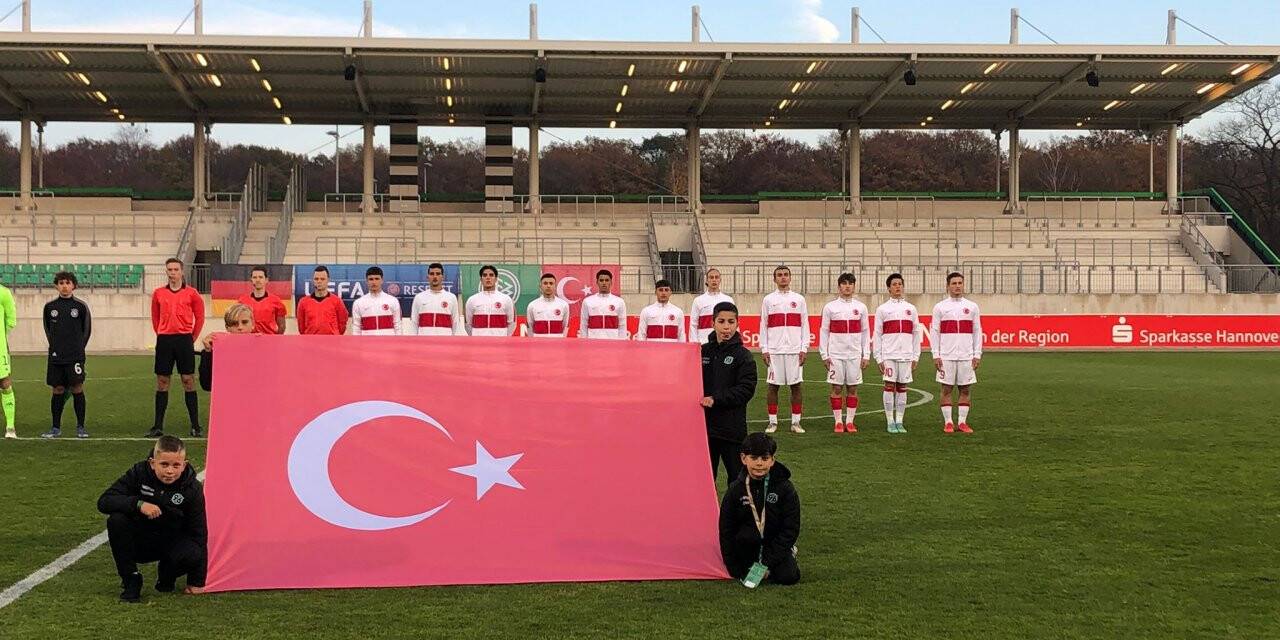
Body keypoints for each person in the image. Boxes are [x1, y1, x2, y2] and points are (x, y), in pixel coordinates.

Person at [97, 435, 206, 603]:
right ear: (152, 463)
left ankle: (166, 576)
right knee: (116, 520)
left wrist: (196, 581)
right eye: (164, 464)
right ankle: (131, 580)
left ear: (184, 465)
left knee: (192, 552)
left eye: (176, 465)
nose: (170, 471)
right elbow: (104, 501)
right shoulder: (139, 473)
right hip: (142, 540)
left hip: (172, 541)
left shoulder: (192, 488)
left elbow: (199, 533)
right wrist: (138, 504)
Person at [718, 433, 800, 586]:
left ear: (772, 460)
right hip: (746, 546)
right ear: (744, 458)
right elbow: (726, 529)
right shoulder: (735, 490)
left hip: (774, 546)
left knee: (789, 577)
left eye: (764, 459)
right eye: (754, 458)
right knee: (739, 572)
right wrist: (732, 566)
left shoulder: (785, 488)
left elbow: (791, 529)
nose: (759, 464)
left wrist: (766, 564)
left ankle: (788, 553)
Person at [701, 302, 756, 486]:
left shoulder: (743, 356)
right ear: (713, 323)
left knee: (737, 482)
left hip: (732, 430)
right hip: (704, 430)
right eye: (721, 321)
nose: (726, 327)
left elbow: (745, 390)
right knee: (705, 481)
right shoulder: (702, 352)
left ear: (737, 323)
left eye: (731, 322)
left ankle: (736, 515)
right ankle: (706, 515)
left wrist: (716, 399)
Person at [148, 258, 204, 438]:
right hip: (165, 340)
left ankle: (195, 425)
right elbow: (155, 317)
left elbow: (200, 317)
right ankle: (157, 425)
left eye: (175, 269)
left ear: (182, 272)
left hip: (184, 340)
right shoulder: (158, 293)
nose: (172, 273)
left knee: (188, 380)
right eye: (169, 270)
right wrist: (161, 333)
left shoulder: (192, 293)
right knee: (162, 381)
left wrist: (192, 337)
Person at [41, 271, 92, 439]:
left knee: (77, 388)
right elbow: (48, 330)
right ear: (56, 285)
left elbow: (86, 331)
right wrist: (56, 346)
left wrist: (78, 348)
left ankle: (81, 427)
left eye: (68, 283)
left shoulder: (80, 307)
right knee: (57, 389)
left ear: (74, 286)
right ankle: (55, 428)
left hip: (75, 356)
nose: (64, 286)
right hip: (56, 356)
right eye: (61, 283)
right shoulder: (50, 307)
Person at [930, 272, 983, 434]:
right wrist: (936, 354)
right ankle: (948, 422)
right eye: (954, 283)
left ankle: (962, 422)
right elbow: (935, 332)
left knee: (965, 389)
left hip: (966, 356)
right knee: (946, 389)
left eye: (960, 283)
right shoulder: (940, 307)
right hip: (946, 356)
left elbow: (977, 331)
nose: (957, 286)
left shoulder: (972, 306)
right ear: (948, 286)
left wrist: (977, 354)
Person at [759, 265, 808, 434]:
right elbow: (763, 325)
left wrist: (804, 348)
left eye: (786, 274)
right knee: (773, 386)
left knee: (796, 386)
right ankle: (773, 422)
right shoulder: (768, 300)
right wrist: (764, 349)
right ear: (774, 279)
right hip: (774, 350)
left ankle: (796, 422)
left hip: (794, 350)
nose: (783, 277)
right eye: (779, 275)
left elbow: (804, 325)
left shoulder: (799, 299)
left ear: (790, 277)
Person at [819, 273, 869, 434]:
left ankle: (850, 421)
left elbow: (865, 332)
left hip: (854, 354)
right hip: (836, 354)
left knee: (853, 388)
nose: (847, 286)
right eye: (844, 283)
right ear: (839, 286)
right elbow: (824, 331)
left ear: (854, 286)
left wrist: (866, 354)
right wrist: (824, 354)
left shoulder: (861, 307)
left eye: (850, 283)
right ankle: (838, 421)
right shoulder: (830, 307)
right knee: (837, 388)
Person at [873, 273, 923, 434]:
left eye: (900, 284)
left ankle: (900, 421)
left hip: (906, 355)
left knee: (902, 387)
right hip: (889, 355)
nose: (898, 287)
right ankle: (890, 421)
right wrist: (878, 357)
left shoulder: (911, 309)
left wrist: (915, 356)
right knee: (889, 386)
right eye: (894, 284)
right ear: (889, 288)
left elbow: (916, 333)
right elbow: (877, 334)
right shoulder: (882, 309)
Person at [198, 304, 255, 393]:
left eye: (244, 322)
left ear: (253, 324)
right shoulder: (216, 352)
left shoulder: (264, 349)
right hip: (229, 402)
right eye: (234, 324)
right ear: (227, 327)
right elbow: (206, 385)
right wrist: (208, 352)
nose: (240, 327)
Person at [411, 262, 465, 336]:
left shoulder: (451, 297)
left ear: (442, 277)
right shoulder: (419, 297)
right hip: (424, 342)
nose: (435, 276)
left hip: (445, 342)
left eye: (438, 274)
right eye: (432, 274)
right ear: (428, 277)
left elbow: (456, 323)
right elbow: (414, 323)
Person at [295, 265, 349, 335]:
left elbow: (342, 324)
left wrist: (334, 335)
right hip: (310, 343)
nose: (319, 281)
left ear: (328, 280)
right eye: (316, 279)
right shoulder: (303, 302)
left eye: (322, 279)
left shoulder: (337, 301)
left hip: (331, 343)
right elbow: (301, 327)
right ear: (313, 280)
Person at [464, 265, 516, 337]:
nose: (488, 278)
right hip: (479, 343)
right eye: (485, 275)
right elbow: (468, 324)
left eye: (491, 275)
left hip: (500, 343)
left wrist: (504, 338)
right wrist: (476, 338)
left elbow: (512, 323)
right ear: (481, 279)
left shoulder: (506, 299)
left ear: (496, 279)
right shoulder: (472, 300)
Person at [351, 266, 401, 335]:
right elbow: (356, 327)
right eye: (371, 279)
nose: (374, 282)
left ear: (382, 280)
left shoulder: (393, 300)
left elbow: (397, 325)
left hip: (388, 343)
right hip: (367, 343)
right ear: (367, 281)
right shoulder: (358, 303)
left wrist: (398, 343)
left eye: (377, 279)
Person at [236, 265, 287, 335]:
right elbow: (237, 324)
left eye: (260, 277)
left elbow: (282, 326)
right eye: (255, 277)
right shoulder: (242, 301)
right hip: (248, 340)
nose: (257, 280)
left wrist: (275, 340)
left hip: (269, 340)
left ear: (266, 280)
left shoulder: (276, 301)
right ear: (251, 280)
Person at [688, 268, 734, 345]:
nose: (714, 280)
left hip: (724, 343)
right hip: (704, 342)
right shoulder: (698, 300)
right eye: (711, 277)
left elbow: (733, 323)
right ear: (706, 280)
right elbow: (693, 324)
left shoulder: (728, 300)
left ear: (720, 280)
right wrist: (694, 343)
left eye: (716, 277)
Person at [579, 269, 627, 339]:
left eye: (607, 280)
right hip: (593, 341)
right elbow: (584, 324)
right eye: (601, 280)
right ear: (597, 282)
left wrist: (622, 342)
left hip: (613, 341)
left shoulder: (619, 302)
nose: (604, 283)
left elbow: (622, 324)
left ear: (611, 282)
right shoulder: (588, 301)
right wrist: (584, 341)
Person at [526, 273, 570, 338]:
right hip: (538, 343)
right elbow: (530, 326)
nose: (548, 286)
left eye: (551, 283)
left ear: (555, 286)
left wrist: (562, 340)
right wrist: (532, 341)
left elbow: (565, 325)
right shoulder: (532, 305)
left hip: (558, 343)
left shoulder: (563, 305)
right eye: (545, 283)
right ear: (540, 286)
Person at [0, 281, 15, 439]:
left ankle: (10, 427)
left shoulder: (3, 293)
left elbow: (11, 320)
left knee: (4, 383)